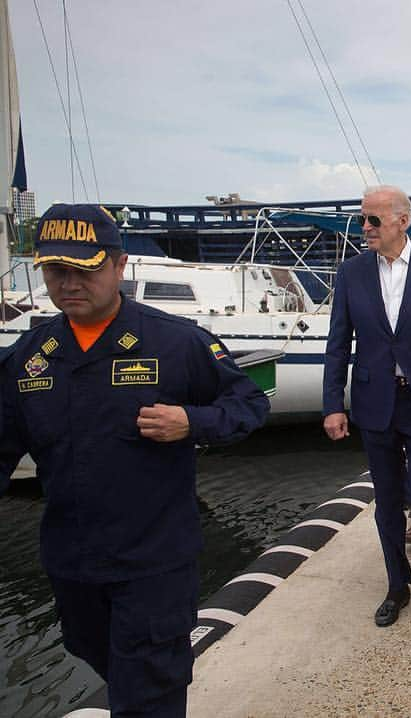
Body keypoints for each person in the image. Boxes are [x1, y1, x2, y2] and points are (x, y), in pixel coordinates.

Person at [0, 204, 270, 717]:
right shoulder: (31, 355)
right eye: (56, 271)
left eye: (86, 269)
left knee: (147, 691)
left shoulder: (175, 342)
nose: (69, 283)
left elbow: (248, 404)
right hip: (72, 563)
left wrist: (193, 422)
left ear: (119, 266)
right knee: (96, 655)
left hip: (154, 563)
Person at [322, 186, 411, 628]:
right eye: (363, 219)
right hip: (374, 401)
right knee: (386, 502)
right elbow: (337, 345)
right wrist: (333, 404)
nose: (364, 228)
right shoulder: (351, 273)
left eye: (373, 220)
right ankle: (396, 584)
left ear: (402, 221)